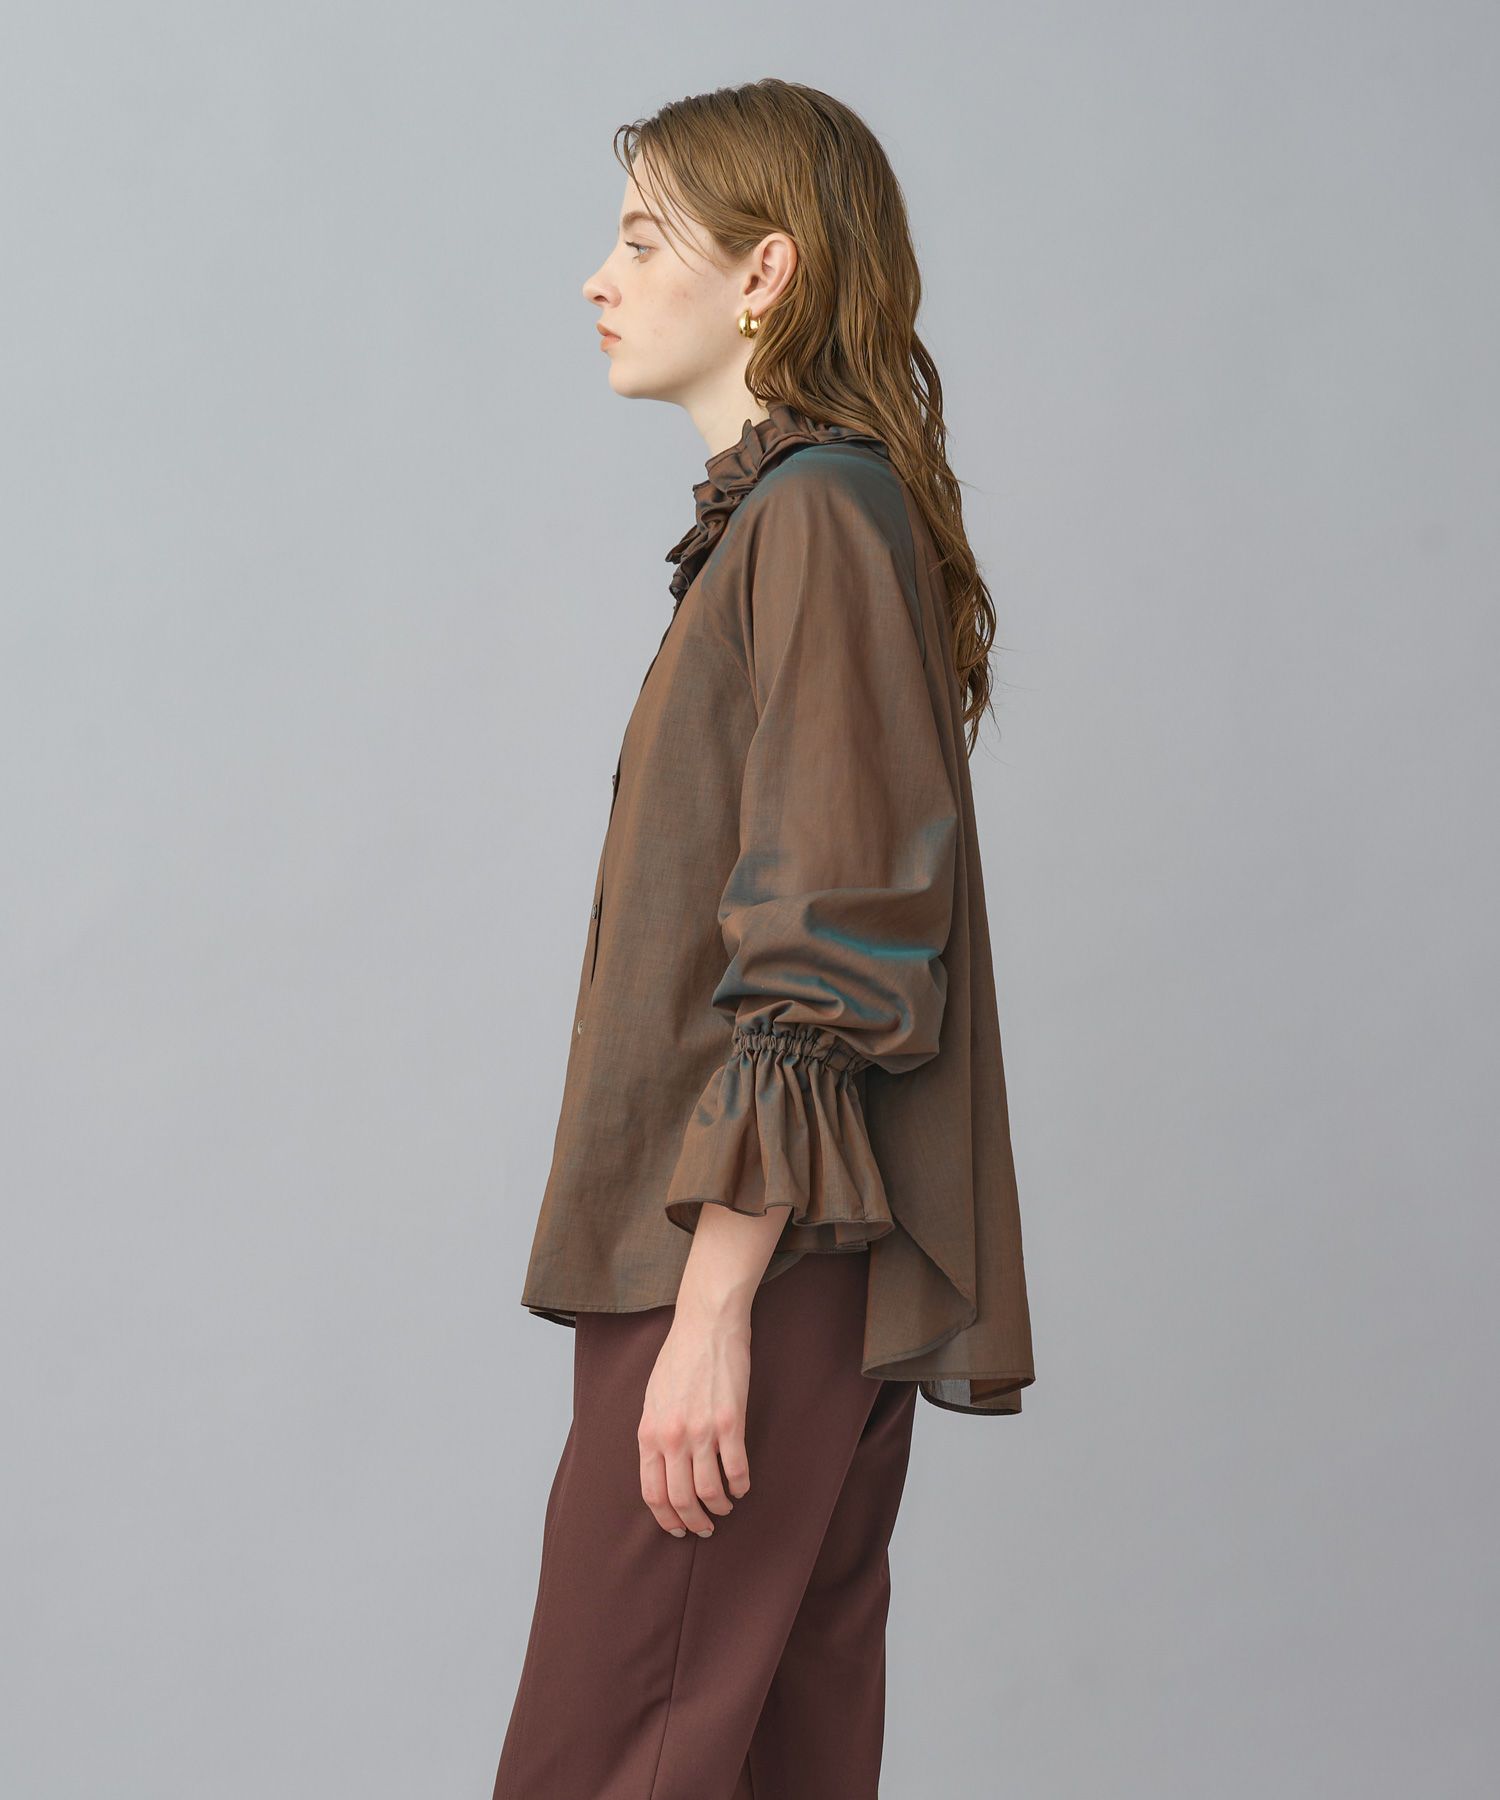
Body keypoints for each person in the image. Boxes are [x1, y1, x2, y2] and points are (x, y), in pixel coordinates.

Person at [492, 78, 1036, 1800]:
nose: (599, 278)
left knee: (612, 1760)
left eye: (644, 239)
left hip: (750, 1253)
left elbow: (833, 924)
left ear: (765, 272)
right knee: (777, 1755)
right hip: (797, 1246)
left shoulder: (810, 521)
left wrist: (714, 1309)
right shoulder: (805, 522)